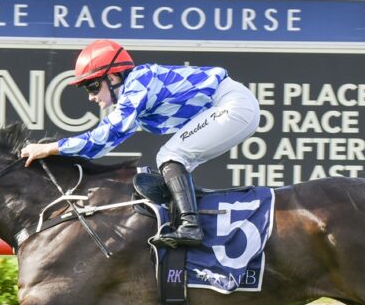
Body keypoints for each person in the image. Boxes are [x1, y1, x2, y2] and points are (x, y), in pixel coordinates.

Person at [20, 39, 260, 248]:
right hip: (233, 108)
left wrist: (50, 148)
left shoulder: (138, 82)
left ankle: (190, 226)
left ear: (113, 77)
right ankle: (193, 223)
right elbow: (102, 147)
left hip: (232, 105)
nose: (91, 96)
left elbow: (105, 134)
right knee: (175, 167)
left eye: (93, 86)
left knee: (170, 155)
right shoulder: (136, 100)